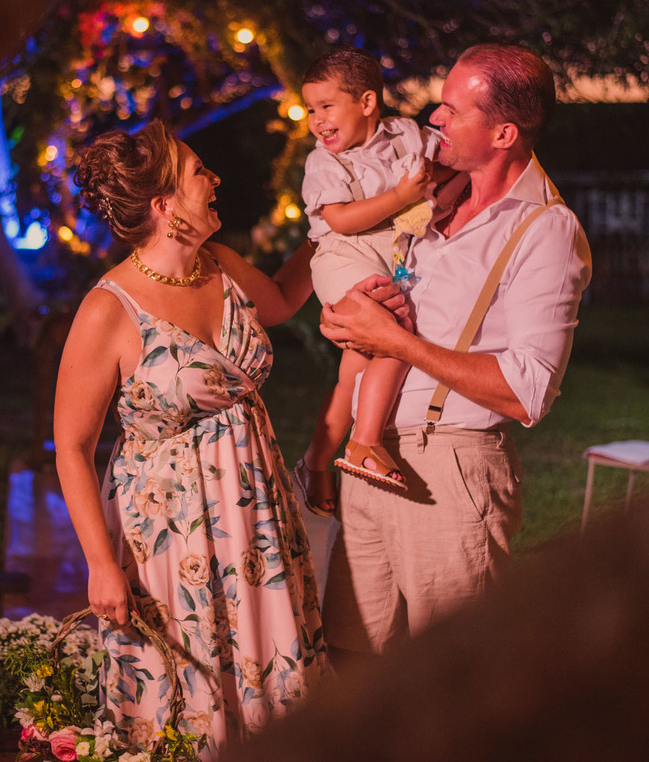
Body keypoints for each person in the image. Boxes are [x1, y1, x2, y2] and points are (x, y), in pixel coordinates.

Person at [56, 120, 396, 758]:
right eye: (198, 172)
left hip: (258, 521)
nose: (214, 180)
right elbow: (72, 446)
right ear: (165, 206)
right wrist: (100, 563)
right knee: (191, 694)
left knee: (273, 675)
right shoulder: (109, 309)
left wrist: (332, 231)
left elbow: (283, 299)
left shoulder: (221, 266)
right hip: (170, 539)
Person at [317, 44, 593, 660]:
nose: (433, 118)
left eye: (452, 109)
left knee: (449, 674)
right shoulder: (427, 197)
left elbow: (528, 390)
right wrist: (348, 318)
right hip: (370, 458)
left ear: (503, 133)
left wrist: (397, 342)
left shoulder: (544, 229)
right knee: (349, 661)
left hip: (449, 470)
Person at [293, 46, 463, 516]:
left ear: (367, 102)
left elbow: (450, 162)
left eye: (327, 106)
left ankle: (315, 461)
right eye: (310, 109)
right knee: (392, 331)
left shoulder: (405, 134)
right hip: (342, 258)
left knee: (356, 366)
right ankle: (365, 442)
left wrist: (442, 186)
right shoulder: (324, 163)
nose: (317, 120)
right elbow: (341, 220)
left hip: (388, 261)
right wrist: (402, 196)